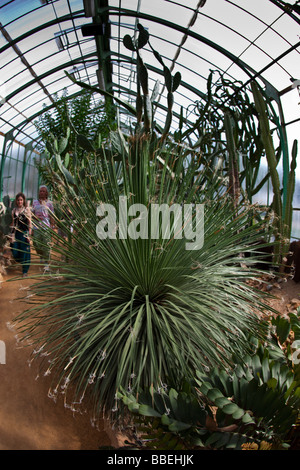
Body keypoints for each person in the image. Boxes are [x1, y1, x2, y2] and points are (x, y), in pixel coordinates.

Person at [31, 185, 54, 272]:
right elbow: (32, 214)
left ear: (46, 193)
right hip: (36, 227)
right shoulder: (35, 202)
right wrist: (34, 218)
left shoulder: (50, 203)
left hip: (46, 227)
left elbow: (52, 216)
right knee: (36, 243)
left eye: (43, 191)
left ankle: (46, 265)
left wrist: (52, 227)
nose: (42, 192)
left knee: (47, 246)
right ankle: (41, 255)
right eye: (40, 191)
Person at [11, 192, 31, 277]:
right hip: (16, 234)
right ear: (16, 201)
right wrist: (11, 235)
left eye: (21, 200)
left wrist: (29, 235)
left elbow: (30, 223)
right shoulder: (14, 211)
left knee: (25, 252)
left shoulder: (27, 210)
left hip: (24, 233)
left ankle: (25, 271)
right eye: (18, 200)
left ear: (23, 201)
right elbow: (13, 223)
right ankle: (20, 261)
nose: (19, 201)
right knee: (14, 251)